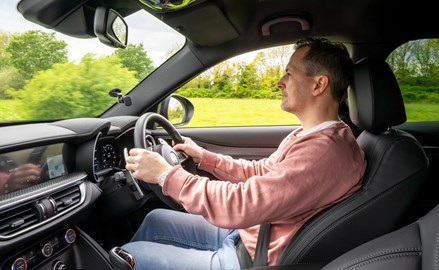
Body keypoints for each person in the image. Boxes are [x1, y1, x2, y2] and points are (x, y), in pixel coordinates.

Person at [122, 37, 367, 269]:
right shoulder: (312, 135)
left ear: (318, 84)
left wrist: (166, 175)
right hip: (252, 232)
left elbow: (241, 203)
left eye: (290, 74)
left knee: (133, 257)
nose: (280, 82)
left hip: (252, 258)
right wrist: (205, 158)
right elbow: (262, 172)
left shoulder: (323, 152)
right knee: (155, 219)